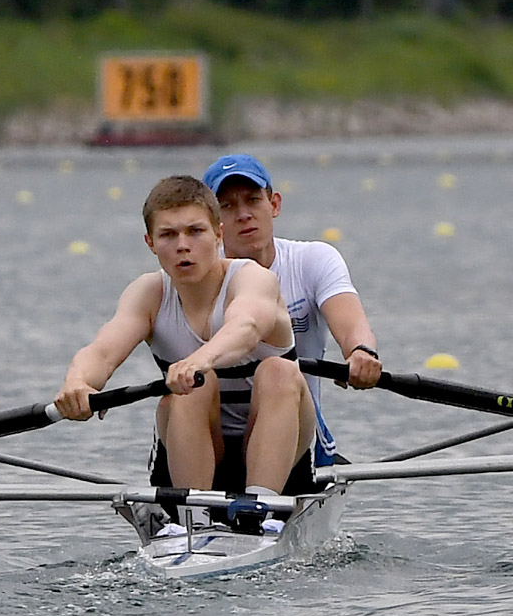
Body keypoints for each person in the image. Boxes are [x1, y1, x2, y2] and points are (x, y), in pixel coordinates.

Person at [54, 175, 314, 528]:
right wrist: (78, 384)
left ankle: (261, 512)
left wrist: (198, 360)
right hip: (194, 447)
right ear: (150, 242)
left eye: (195, 231)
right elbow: (101, 352)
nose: (182, 245)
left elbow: (247, 326)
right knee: (193, 387)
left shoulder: (251, 278)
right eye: (168, 235)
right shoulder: (148, 293)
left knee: (278, 372)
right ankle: (196, 524)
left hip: (280, 453)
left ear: (219, 234)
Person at [201, 153, 383, 468]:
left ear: (274, 204)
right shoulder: (194, 275)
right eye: (227, 206)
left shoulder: (313, 260)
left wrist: (360, 351)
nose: (244, 214)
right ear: (210, 224)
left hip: (294, 435)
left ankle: (262, 498)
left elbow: (351, 322)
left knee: (277, 372)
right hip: (210, 438)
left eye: (253, 200)